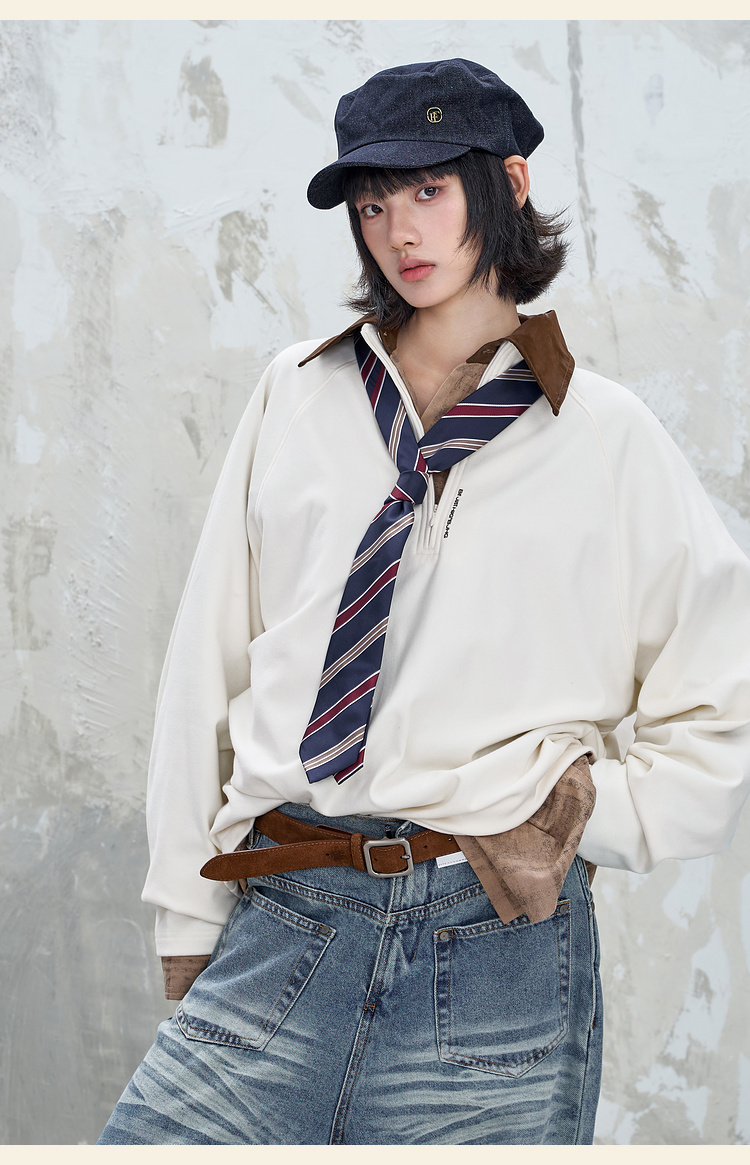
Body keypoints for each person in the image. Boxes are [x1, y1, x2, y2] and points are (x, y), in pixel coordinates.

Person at [98, 58, 750, 1146]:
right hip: (288, 910)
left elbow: (723, 689)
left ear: (510, 183)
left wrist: (583, 815)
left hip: (492, 938)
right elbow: (205, 664)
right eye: (371, 204)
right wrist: (187, 914)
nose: (399, 230)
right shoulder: (296, 395)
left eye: (429, 190)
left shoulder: (604, 436)